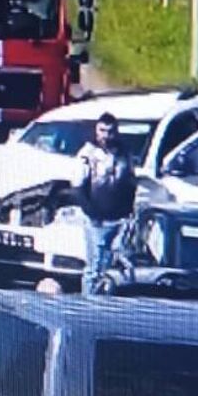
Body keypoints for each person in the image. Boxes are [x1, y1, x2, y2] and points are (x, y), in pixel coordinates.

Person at [75, 113, 137, 295]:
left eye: (110, 131)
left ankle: (109, 302)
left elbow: (131, 183)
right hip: (97, 219)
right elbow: (78, 187)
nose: (106, 136)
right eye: (102, 131)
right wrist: (91, 213)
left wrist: (130, 210)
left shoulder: (125, 153)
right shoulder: (87, 154)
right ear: (96, 131)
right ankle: (89, 303)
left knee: (118, 265)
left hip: (120, 218)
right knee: (95, 266)